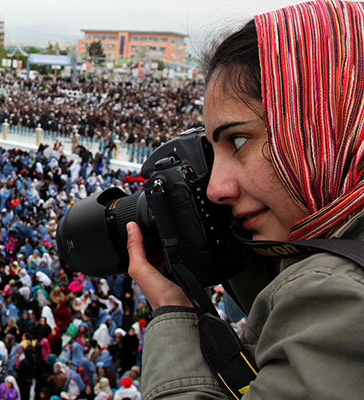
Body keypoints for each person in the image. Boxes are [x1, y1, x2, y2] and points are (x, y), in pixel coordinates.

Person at [126, 0, 364, 398]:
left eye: (238, 140)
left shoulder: (338, 293)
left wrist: (176, 314)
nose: (216, 188)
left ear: (324, 122)